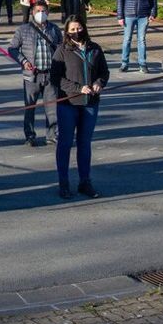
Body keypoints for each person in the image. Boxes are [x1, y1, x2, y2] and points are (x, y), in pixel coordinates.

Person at [50, 18, 109, 199]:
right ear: (67, 32)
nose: (76, 31)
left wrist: (99, 83)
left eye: (79, 27)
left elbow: (104, 72)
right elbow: (56, 78)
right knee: (65, 143)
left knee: (85, 143)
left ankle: (85, 181)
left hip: (90, 104)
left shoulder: (95, 48)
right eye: (72, 29)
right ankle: (64, 182)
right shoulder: (62, 51)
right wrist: (77, 88)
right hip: (68, 104)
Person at [7, 0, 63, 147]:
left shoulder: (54, 29)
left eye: (43, 11)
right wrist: (23, 61)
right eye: (38, 11)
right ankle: (30, 136)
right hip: (31, 77)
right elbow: (12, 49)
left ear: (48, 13)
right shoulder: (23, 29)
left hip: (50, 75)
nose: (41, 13)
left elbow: (62, 49)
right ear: (32, 12)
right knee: (29, 108)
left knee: (52, 108)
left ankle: (52, 136)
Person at [117, 0, 158, 73]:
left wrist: (153, 13)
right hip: (128, 14)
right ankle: (124, 63)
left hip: (144, 15)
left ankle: (142, 63)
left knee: (142, 40)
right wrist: (120, 16)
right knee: (127, 39)